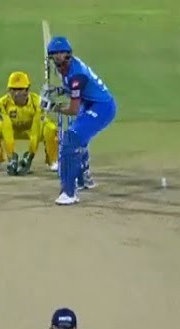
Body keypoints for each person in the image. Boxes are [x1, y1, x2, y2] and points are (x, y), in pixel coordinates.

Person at [41, 36, 117, 205]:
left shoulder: (76, 75)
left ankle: (69, 193)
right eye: (55, 54)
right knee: (79, 139)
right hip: (90, 103)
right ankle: (84, 178)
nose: (58, 57)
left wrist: (52, 107)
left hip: (102, 108)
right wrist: (59, 90)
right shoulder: (66, 68)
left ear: (68, 54)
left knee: (71, 139)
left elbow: (73, 109)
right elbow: (73, 89)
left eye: (62, 53)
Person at [0, 71, 59, 175]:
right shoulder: (3, 103)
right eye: (13, 89)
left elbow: (36, 129)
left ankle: (53, 160)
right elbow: (6, 128)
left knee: (51, 129)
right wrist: (11, 156)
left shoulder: (38, 102)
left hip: (32, 129)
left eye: (20, 89)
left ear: (27, 90)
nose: (16, 93)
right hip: (13, 128)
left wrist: (30, 155)